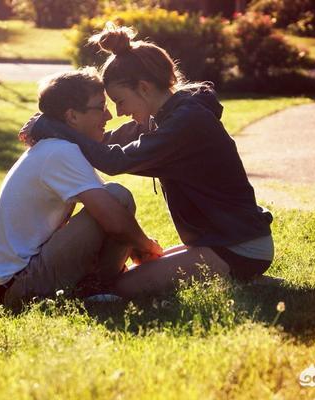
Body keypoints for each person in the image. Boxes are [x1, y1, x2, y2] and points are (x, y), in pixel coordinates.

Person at [24, 24, 275, 298]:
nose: (119, 112)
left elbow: (114, 160)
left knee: (124, 287)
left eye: (120, 101)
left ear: (143, 88)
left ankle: (242, 274)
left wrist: (52, 127)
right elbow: (105, 143)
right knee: (139, 272)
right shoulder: (166, 116)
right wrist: (61, 122)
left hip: (240, 245)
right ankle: (240, 276)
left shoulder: (187, 122)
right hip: (219, 241)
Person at [0, 68, 163, 310]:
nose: (109, 115)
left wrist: (134, 248)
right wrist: (147, 246)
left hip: (20, 279)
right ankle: (98, 287)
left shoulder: (59, 148)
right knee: (118, 196)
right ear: (72, 116)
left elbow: (107, 214)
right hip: (21, 286)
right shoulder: (60, 152)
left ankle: (99, 284)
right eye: (100, 107)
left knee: (114, 197)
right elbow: (113, 219)